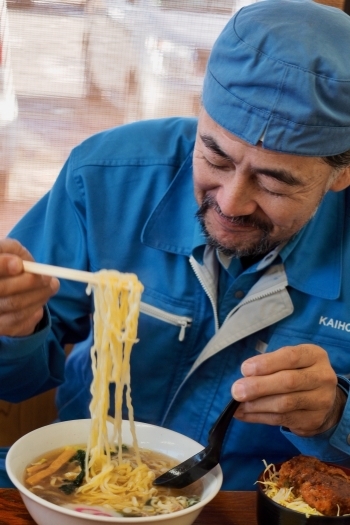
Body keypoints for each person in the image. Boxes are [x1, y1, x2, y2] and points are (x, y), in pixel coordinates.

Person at [1, 0, 350, 491]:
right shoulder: (104, 177)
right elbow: (13, 383)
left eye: (274, 184)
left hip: (249, 505)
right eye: (215, 156)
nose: (231, 203)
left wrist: (336, 414)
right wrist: (15, 328)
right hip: (79, 486)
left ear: (342, 173)